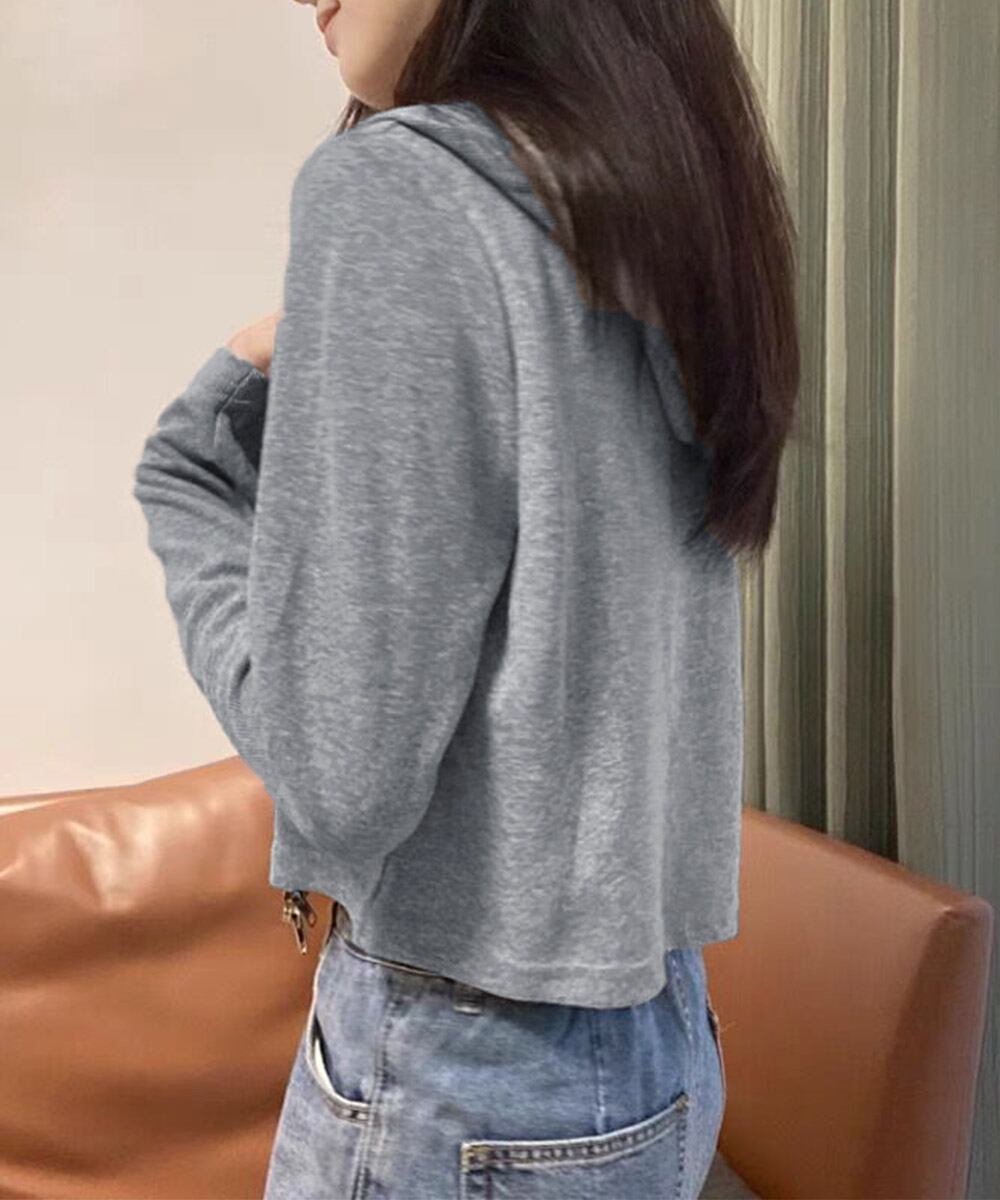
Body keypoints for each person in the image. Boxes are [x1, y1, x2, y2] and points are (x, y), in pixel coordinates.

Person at [132, 0, 799, 1195]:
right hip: (659, 1053)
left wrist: (190, 463)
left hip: (463, 1075)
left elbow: (339, 783)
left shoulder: (400, 189)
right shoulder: (658, 214)